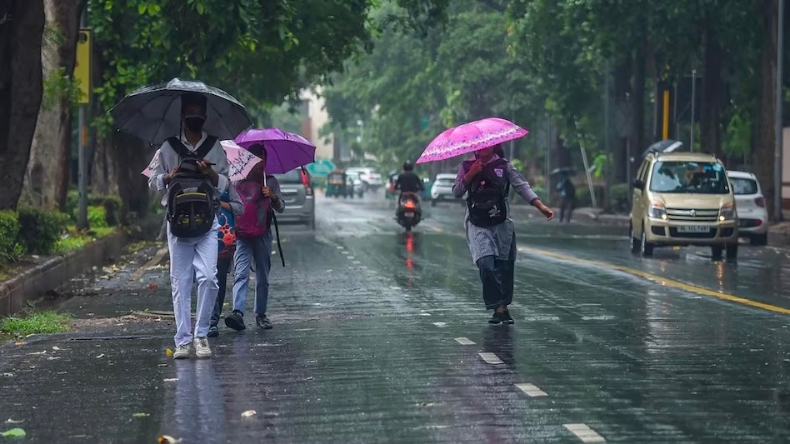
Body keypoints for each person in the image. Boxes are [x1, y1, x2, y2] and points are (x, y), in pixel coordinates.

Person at [148, 92, 231, 359]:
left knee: (208, 278)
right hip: (178, 224)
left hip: (208, 223)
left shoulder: (215, 147)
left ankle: (201, 335)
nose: (195, 117)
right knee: (181, 283)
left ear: (204, 117)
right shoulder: (167, 148)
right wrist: (168, 176)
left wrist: (211, 174)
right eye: (190, 113)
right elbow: (153, 182)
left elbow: (228, 183)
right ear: (182, 116)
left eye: (199, 113)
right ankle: (183, 340)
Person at [453, 144, 554, 324]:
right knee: (485, 263)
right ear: (475, 147)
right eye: (480, 145)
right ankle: (497, 305)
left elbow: (522, 186)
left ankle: (502, 309)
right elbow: (457, 192)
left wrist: (541, 207)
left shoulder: (504, 166)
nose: (484, 148)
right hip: (477, 223)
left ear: (494, 145)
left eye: (488, 145)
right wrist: (471, 174)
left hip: (501, 223)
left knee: (504, 266)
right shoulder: (466, 166)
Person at [224, 146, 285, 331]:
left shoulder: (271, 182)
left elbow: (281, 207)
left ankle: (261, 314)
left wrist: (272, 197)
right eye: (254, 159)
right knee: (241, 273)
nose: (258, 163)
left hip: (262, 233)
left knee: (262, 276)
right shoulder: (235, 180)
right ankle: (238, 313)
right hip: (241, 234)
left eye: (261, 160)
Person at [208, 188, 243, 338]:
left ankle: (213, 320)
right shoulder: (192, 180)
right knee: (204, 278)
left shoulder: (225, 183)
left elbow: (239, 207)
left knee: (219, 280)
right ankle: (208, 321)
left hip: (223, 239)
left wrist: (221, 203)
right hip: (199, 234)